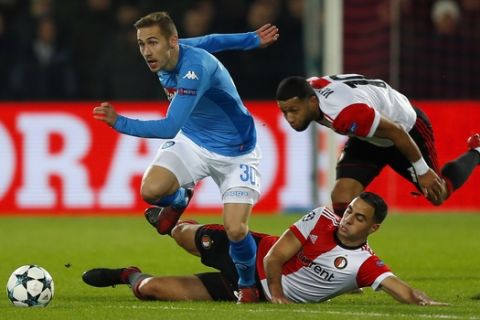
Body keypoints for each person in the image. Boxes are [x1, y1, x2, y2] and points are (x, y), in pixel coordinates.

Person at [92, 11, 279, 303]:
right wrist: (251, 39)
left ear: (172, 42)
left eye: (152, 42)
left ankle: (247, 285)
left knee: (236, 230)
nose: (146, 51)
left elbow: (169, 126)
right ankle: (179, 199)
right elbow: (212, 39)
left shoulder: (196, 68)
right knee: (151, 191)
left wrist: (119, 123)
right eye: (142, 44)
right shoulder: (175, 49)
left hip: (237, 153)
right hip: (193, 141)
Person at [82, 192, 445, 306]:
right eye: (349, 210)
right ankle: (171, 219)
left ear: (373, 227)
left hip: (244, 289)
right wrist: (274, 296)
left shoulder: (364, 264)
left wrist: (427, 303)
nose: (347, 219)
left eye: (358, 217)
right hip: (250, 253)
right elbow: (275, 256)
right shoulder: (321, 219)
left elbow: (403, 290)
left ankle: (127, 274)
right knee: (184, 236)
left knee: (151, 291)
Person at [275, 74, 480, 216]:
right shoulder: (311, 89)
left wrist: (422, 170)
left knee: (438, 193)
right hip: (370, 134)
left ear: (311, 101)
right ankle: (345, 256)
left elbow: (396, 132)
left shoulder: (345, 113)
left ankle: (477, 151)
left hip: (406, 128)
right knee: (342, 194)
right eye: (285, 112)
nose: (290, 118)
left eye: (294, 110)